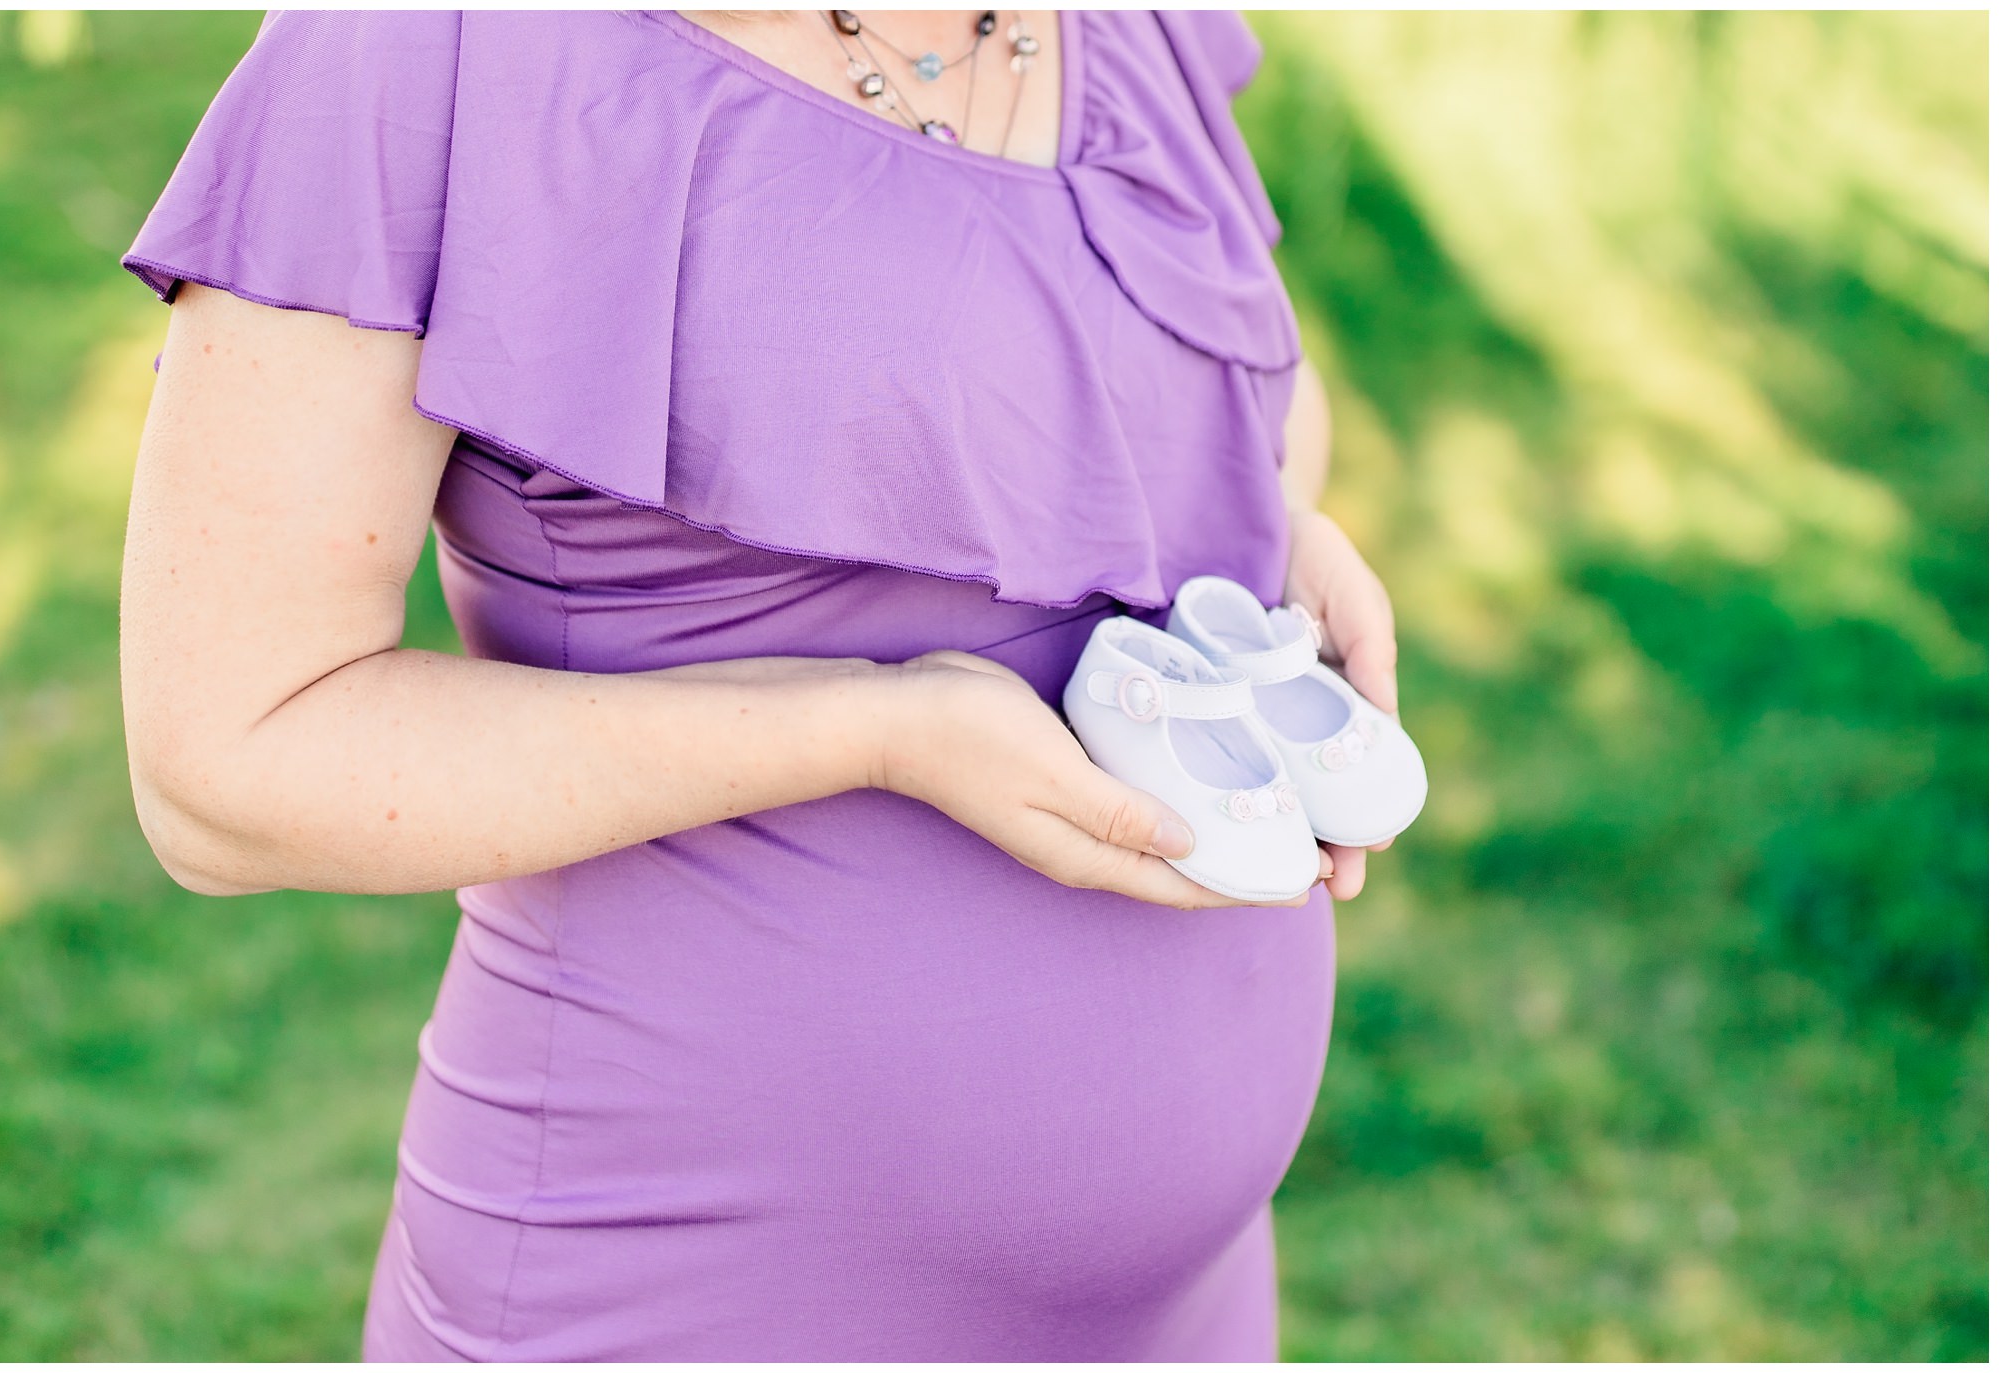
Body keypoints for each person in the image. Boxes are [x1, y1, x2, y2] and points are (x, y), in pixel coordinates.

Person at [117, 8, 1401, 1361]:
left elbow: (1251, 384)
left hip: (1181, 1314)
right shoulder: (421, 51)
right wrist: (872, 727)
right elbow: (230, 764)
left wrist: (1263, 531)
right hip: (685, 1282)